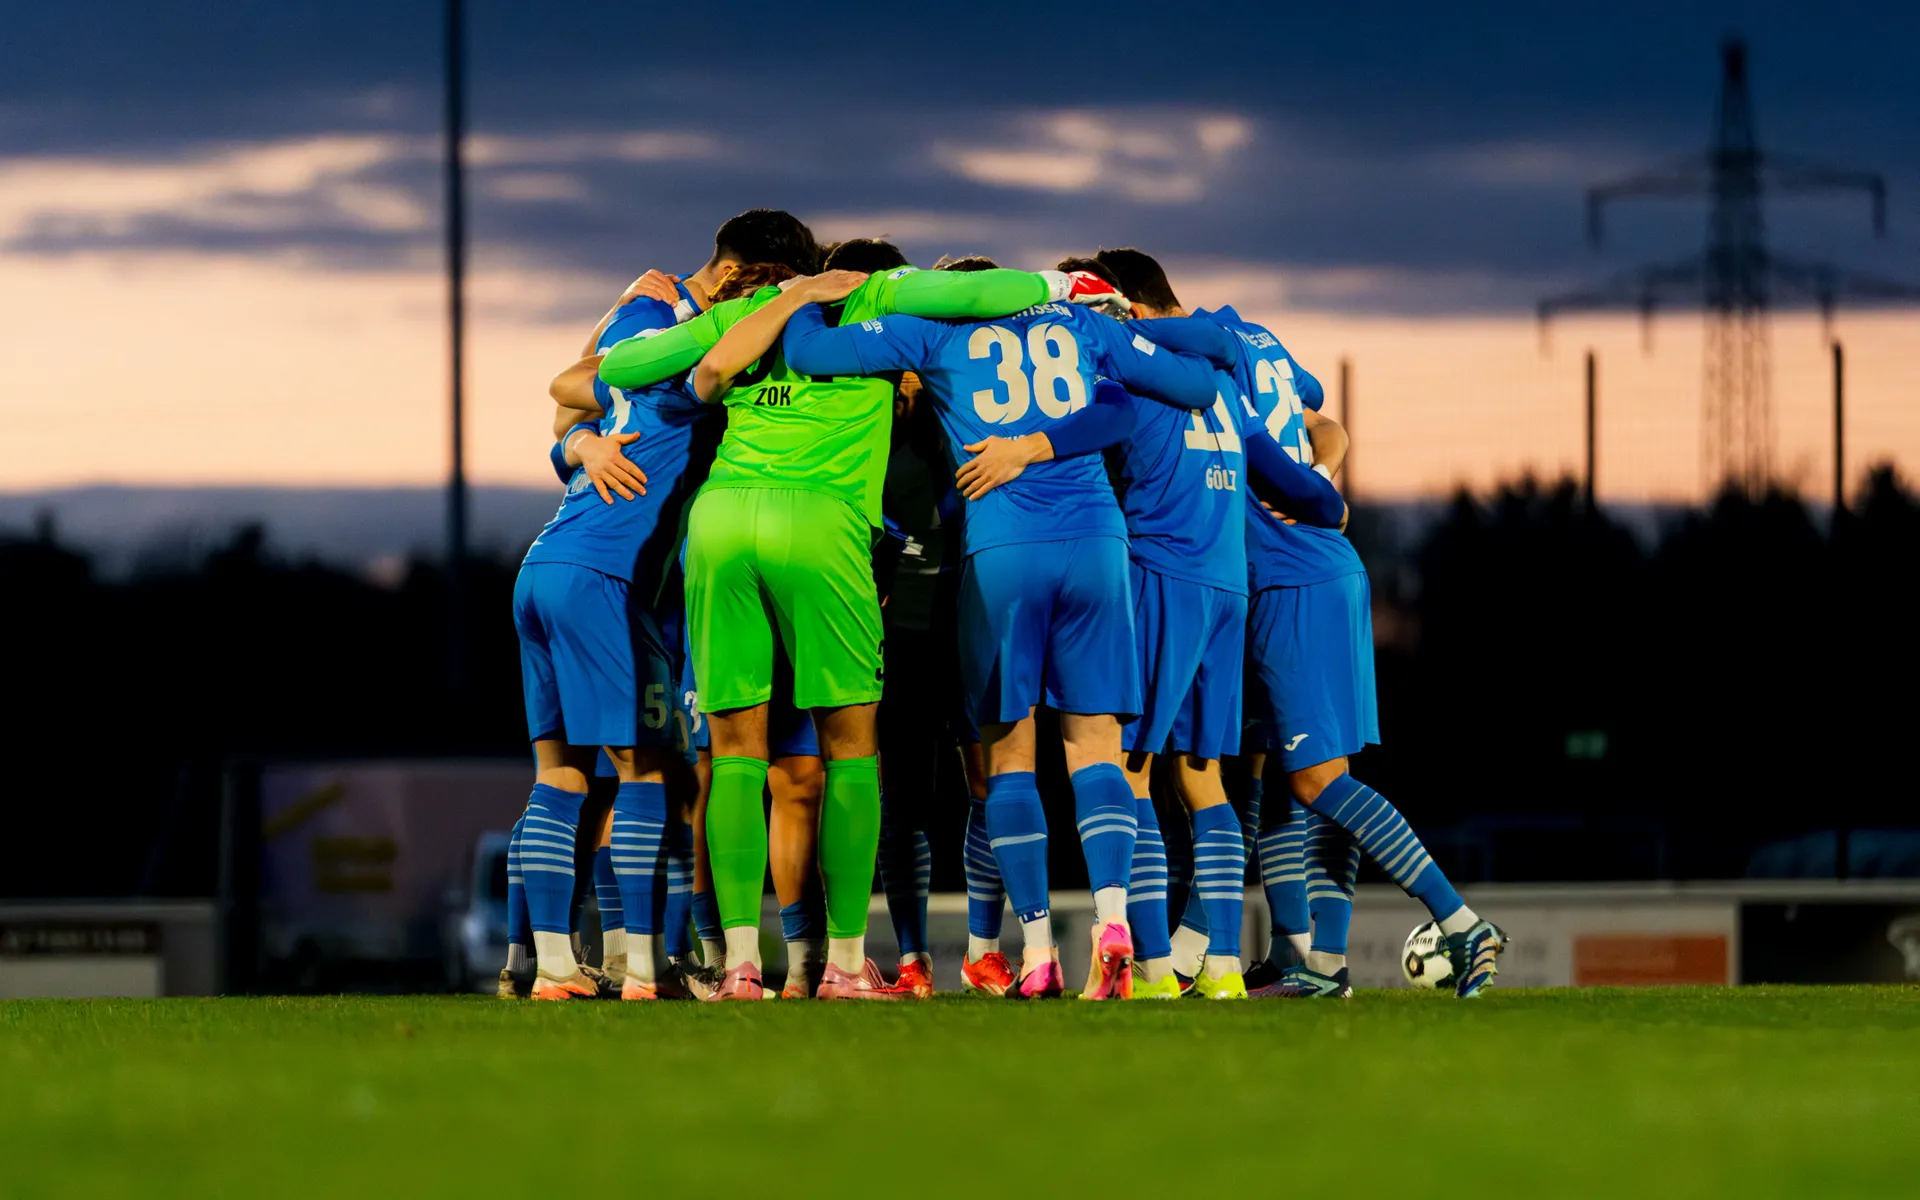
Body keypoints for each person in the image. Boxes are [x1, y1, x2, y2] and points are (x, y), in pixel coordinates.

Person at [588, 260, 1123, 1000]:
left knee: (736, 755)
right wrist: (1057, 286)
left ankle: (740, 965)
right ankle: (843, 964)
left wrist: (762, 301)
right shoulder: (878, 299)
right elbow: (970, 293)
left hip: (721, 524)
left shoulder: (750, 315)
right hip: (821, 525)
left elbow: (624, 365)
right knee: (851, 753)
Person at [778, 275, 1223, 1000]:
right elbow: (1197, 383)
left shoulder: (932, 331)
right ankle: (1113, 924)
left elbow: (812, 353)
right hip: (1096, 541)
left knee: (1009, 755)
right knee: (1095, 747)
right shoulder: (1079, 325)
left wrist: (805, 292)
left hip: (1005, 546)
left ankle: (1040, 948)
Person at [1098, 247, 1506, 999]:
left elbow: (1186, 350)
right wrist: (1322, 472)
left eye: (1109, 310)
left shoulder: (1191, 344)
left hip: (1290, 576)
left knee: (1315, 779)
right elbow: (1323, 419)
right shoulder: (1260, 340)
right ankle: (1313, 961)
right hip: (1304, 570)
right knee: (1284, 774)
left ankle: (1460, 922)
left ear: (1135, 308)